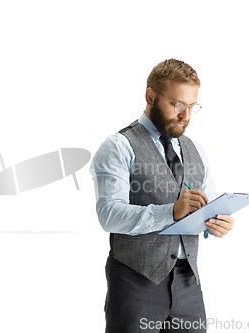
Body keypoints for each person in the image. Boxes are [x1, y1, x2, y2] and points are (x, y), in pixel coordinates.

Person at [90, 59, 235, 333]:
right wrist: (170, 212)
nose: (185, 115)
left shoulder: (195, 149)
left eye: (192, 106)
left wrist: (218, 223)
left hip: (187, 282)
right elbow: (108, 214)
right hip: (135, 280)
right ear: (151, 96)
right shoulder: (119, 146)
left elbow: (210, 206)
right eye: (177, 104)